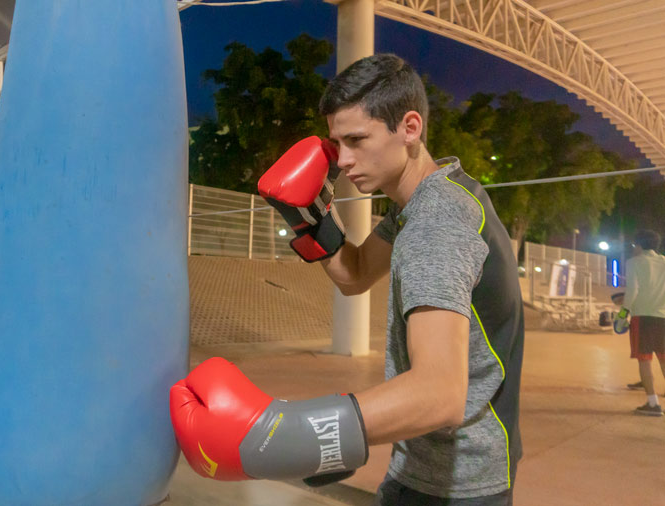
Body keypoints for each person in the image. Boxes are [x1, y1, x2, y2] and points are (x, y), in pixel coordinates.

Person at [171, 54, 524, 505]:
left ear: (410, 128)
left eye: (358, 140)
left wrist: (293, 435)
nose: (344, 162)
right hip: (434, 468)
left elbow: (440, 393)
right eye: (339, 145)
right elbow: (354, 274)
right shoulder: (439, 197)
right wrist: (312, 220)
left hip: (453, 488)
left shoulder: (435, 224)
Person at [622, 230, 665, 416]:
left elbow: (632, 291)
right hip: (664, 317)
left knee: (644, 360)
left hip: (643, 317)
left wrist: (623, 313)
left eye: (634, 245)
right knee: (664, 359)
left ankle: (653, 403)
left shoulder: (634, 263)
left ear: (639, 245)